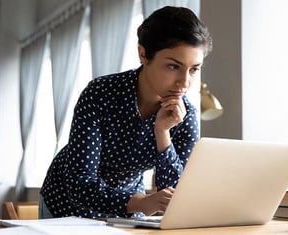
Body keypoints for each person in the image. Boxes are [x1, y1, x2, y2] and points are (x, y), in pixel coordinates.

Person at [39, 6, 212, 219]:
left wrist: (162, 133)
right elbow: (80, 183)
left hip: (131, 206)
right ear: (143, 54)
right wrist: (138, 202)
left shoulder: (185, 116)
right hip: (66, 204)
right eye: (173, 66)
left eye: (194, 69)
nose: (185, 82)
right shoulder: (100, 93)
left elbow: (175, 194)